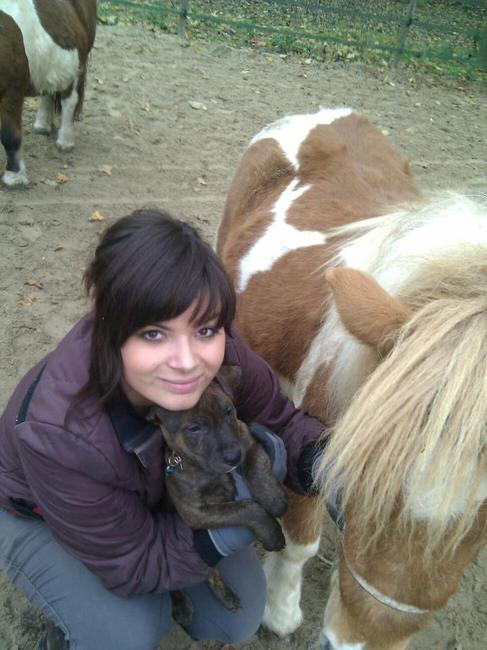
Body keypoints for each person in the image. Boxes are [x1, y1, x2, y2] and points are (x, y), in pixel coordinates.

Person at [0, 209, 326, 650]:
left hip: (163, 483)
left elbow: (279, 418)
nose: (188, 361)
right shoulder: (59, 434)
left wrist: (328, 464)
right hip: (39, 512)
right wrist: (216, 537)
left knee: (235, 619)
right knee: (130, 631)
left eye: (205, 329)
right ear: (110, 329)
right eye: (154, 334)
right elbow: (132, 562)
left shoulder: (217, 351)